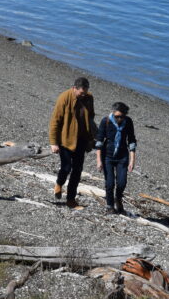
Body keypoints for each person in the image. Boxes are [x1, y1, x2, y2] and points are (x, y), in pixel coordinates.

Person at [48, 76, 95, 208]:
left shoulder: (89, 98)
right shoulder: (64, 98)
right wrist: (54, 142)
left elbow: (91, 117)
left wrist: (92, 138)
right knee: (66, 167)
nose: (83, 95)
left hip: (82, 140)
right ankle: (59, 183)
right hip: (66, 140)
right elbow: (55, 121)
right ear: (74, 88)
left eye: (85, 92)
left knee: (77, 171)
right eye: (81, 93)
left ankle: (71, 200)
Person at [95, 101, 136, 215]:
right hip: (107, 156)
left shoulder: (128, 122)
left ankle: (118, 199)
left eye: (122, 117)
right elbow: (99, 141)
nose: (119, 119)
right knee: (109, 183)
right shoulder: (106, 121)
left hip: (122, 157)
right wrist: (99, 161)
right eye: (117, 116)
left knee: (122, 183)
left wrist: (132, 160)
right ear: (113, 113)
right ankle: (109, 206)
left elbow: (131, 141)